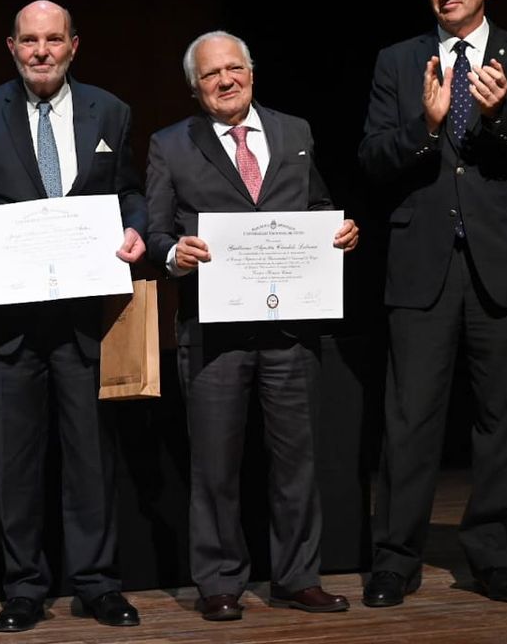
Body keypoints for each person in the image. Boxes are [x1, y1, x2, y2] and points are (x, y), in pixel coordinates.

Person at [359, 0, 507, 607]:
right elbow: (373, 158)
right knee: (408, 419)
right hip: (422, 263)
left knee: (503, 421)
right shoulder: (398, 61)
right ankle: (394, 560)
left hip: (503, 262)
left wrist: (500, 117)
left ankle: (496, 557)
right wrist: (426, 124)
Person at [0, 0, 146, 633]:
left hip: (86, 314)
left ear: (73, 46)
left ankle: (97, 583)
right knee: (14, 460)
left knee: (90, 456)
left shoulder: (109, 110)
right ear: (11, 47)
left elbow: (131, 191)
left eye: (53, 40)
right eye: (29, 40)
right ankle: (24, 588)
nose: (41, 51)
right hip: (8, 318)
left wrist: (137, 229)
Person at [145, 31, 358, 622]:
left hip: (291, 326)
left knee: (298, 461)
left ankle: (299, 577)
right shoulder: (171, 144)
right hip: (214, 332)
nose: (224, 81)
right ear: (195, 87)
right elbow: (157, 230)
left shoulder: (295, 132)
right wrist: (171, 253)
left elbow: (316, 207)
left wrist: (337, 232)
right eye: (210, 75)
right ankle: (218, 581)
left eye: (233, 69)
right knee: (214, 465)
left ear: (252, 73)